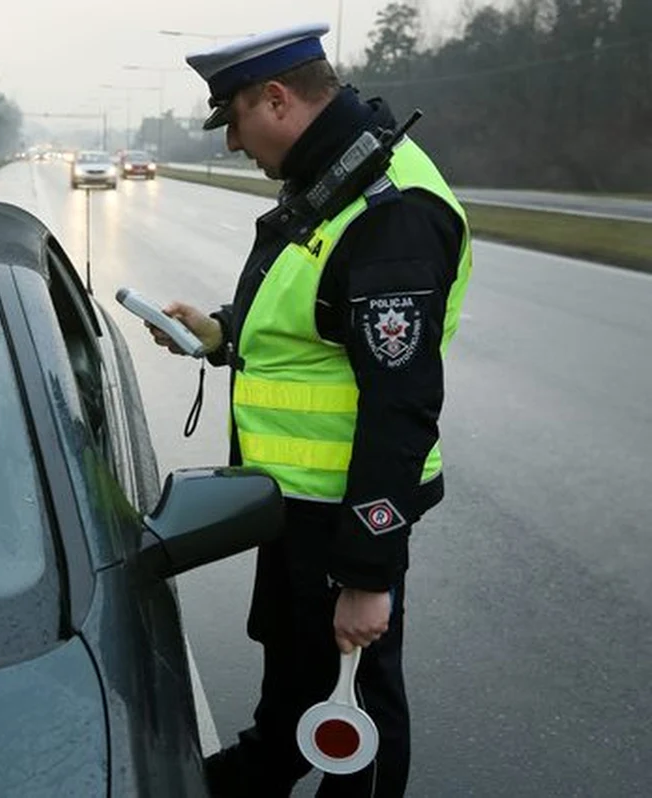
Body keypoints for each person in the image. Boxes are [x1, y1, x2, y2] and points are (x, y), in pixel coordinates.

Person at [147, 22, 473, 797]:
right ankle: (235, 776)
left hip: (345, 513)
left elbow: (401, 404)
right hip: (296, 504)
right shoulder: (336, 178)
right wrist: (225, 332)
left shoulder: (391, 210)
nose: (230, 142)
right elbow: (322, 322)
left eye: (232, 119)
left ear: (277, 97)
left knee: (351, 721)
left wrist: (368, 572)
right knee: (297, 687)